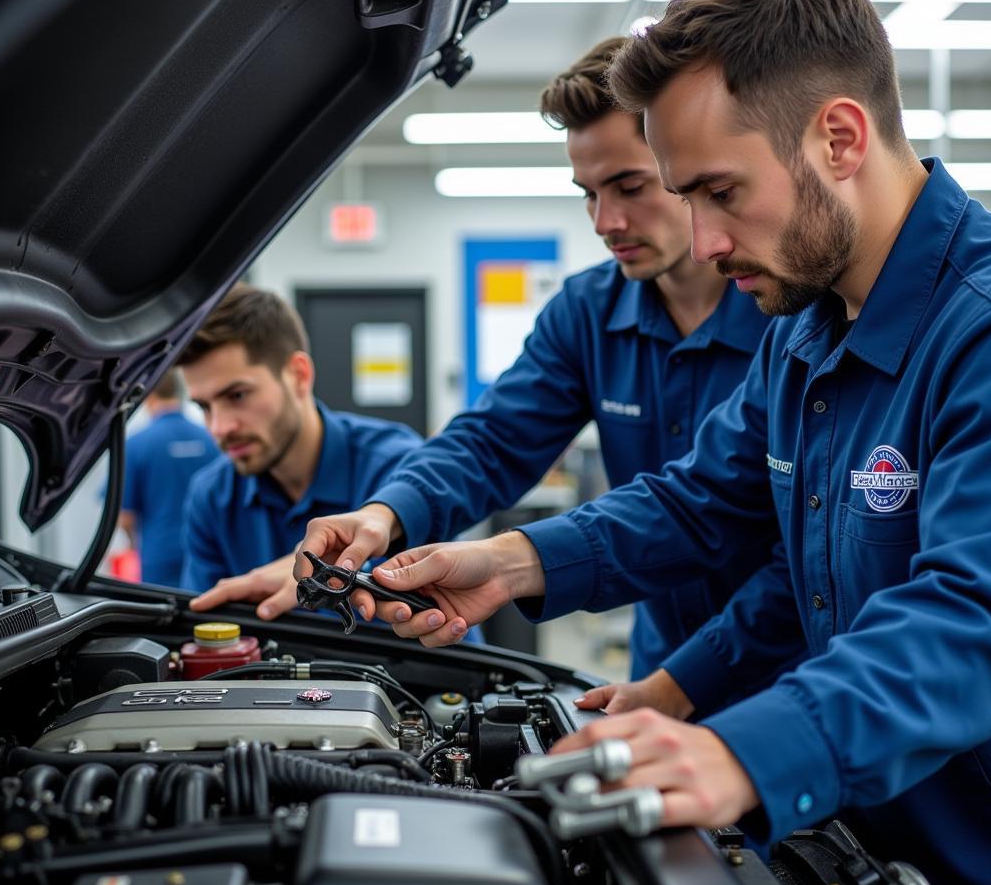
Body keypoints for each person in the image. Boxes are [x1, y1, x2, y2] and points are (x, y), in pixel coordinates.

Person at [311, 0, 991, 885]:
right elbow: (705, 506)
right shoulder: (805, 332)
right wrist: (511, 564)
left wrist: (743, 746)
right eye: (686, 199)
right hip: (865, 844)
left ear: (840, 139)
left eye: (720, 192)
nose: (708, 241)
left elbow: (977, 620)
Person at [194, 37, 778, 694]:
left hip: (785, 662)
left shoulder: (785, 310)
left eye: (630, 186)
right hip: (660, 659)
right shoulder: (586, 312)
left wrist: (683, 686)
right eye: (587, 193)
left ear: (682, 167)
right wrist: (383, 518)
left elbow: (748, 525)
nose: (605, 220)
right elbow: (491, 441)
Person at [175, 284, 423, 604]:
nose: (220, 428)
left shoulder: (398, 468)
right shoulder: (212, 497)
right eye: (204, 407)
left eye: (237, 396)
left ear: (299, 375)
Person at [115, 369, 220, 585]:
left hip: (158, 555)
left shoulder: (136, 444)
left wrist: (135, 545)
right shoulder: (212, 438)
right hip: (211, 552)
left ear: (148, 395)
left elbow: (124, 515)